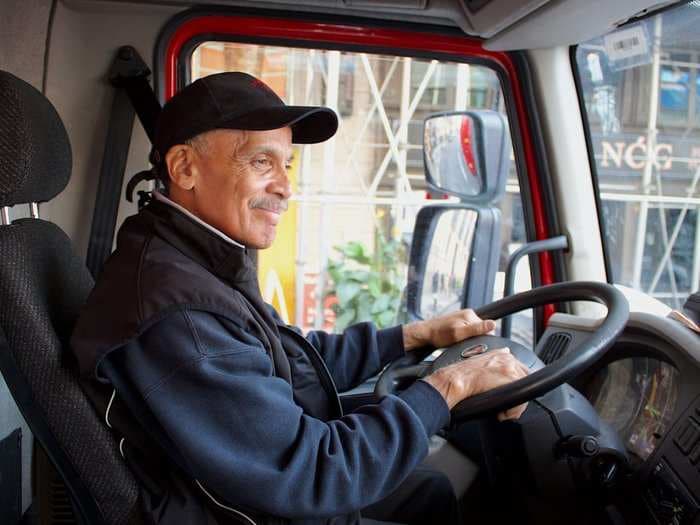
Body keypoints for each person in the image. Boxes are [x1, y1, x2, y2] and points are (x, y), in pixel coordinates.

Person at [71, 72, 529, 525]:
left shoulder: (195, 260)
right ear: (185, 168)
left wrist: (413, 336)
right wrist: (451, 386)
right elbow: (313, 473)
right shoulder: (179, 312)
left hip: (250, 494)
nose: (286, 187)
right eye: (260, 163)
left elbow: (288, 357)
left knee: (429, 491)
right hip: (236, 512)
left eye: (285, 165)